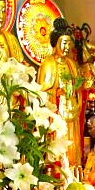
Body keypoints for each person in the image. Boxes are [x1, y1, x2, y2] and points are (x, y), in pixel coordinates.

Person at [37, 18, 83, 167]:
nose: (66, 47)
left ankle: (74, 169)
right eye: (64, 43)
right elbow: (42, 89)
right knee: (58, 142)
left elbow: (78, 86)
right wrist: (57, 92)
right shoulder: (49, 63)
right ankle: (58, 172)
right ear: (55, 43)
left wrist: (76, 88)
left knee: (73, 142)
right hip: (57, 113)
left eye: (69, 43)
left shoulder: (71, 64)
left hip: (71, 110)